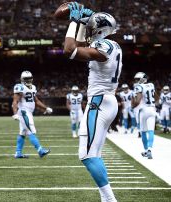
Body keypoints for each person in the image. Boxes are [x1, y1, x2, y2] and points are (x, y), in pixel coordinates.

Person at [63, 2, 121, 201]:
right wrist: (80, 24)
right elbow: (78, 48)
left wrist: (73, 21)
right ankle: (107, 199)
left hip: (100, 101)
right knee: (95, 153)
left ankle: (109, 199)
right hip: (106, 100)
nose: (88, 31)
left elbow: (69, 50)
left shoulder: (105, 45)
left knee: (86, 155)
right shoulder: (111, 44)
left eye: (90, 28)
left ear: (100, 29)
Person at [12, 70, 53, 158]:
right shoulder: (19, 87)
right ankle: (40, 150)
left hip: (29, 112)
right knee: (31, 131)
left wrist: (46, 108)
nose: (28, 80)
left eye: (29, 78)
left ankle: (18, 153)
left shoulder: (33, 87)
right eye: (26, 79)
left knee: (22, 133)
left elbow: (36, 101)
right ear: (22, 79)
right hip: (24, 112)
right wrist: (15, 113)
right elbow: (15, 101)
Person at [132, 72, 157, 159]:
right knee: (151, 131)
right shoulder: (151, 85)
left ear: (142, 79)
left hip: (143, 110)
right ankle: (149, 150)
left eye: (137, 79)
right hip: (152, 109)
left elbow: (138, 101)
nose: (136, 81)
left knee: (143, 132)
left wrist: (133, 105)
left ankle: (146, 150)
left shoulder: (139, 87)